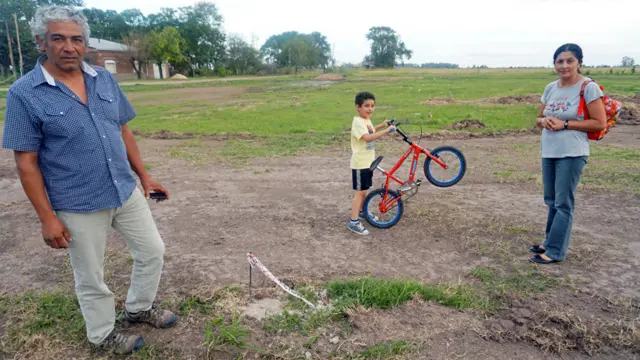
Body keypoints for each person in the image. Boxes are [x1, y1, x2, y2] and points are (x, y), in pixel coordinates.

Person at [1, 5, 177, 355]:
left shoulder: (103, 78)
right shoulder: (24, 93)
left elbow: (121, 128)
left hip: (123, 189)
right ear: (41, 42)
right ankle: (101, 334)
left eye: (76, 39)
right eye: (59, 38)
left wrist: (145, 176)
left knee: (152, 251)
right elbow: (26, 163)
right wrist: (47, 218)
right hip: (76, 200)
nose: (69, 47)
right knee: (90, 275)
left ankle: (138, 308)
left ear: (85, 43)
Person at [530, 43, 606, 264]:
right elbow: (538, 119)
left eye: (569, 60)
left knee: (563, 202)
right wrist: (543, 121)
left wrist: (564, 124)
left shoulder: (588, 87)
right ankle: (549, 241)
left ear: (579, 62)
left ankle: (555, 251)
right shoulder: (551, 88)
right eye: (559, 61)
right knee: (551, 200)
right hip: (549, 150)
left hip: (572, 152)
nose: (564, 65)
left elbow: (599, 123)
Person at [348, 92, 396, 235]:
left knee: (364, 191)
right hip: (359, 163)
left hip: (368, 162)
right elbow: (368, 137)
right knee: (360, 192)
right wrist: (387, 131)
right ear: (358, 107)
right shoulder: (357, 122)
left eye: (372, 106)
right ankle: (353, 222)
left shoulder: (366, 120)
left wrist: (382, 124)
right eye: (366, 106)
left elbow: (371, 130)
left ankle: (361, 212)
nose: (370, 109)